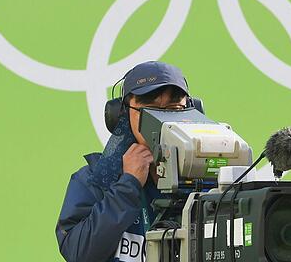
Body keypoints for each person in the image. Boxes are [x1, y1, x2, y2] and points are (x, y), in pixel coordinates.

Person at [55, 61, 192, 262]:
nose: (161, 120)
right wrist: (128, 185)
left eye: (173, 108)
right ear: (123, 113)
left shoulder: (207, 181)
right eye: (149, 109)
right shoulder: (94, 180)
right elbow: (78, 253)